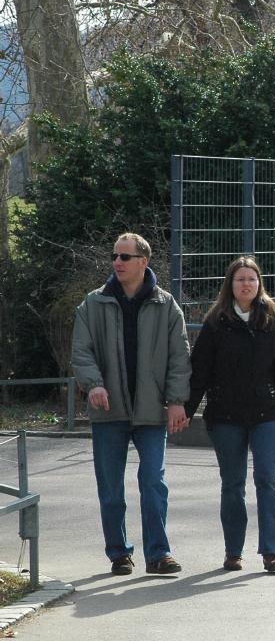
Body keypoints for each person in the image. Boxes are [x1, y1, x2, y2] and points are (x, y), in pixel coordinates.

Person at [71, 232, 192, 576]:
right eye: (115, 256)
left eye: (125, 257)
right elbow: (81, 351)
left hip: (153, 411)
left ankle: (159, 553)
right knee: (110, 489)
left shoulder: (166, 304)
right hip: (109, 413)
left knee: (154, 481)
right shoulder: (93, 303)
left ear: (144, 261)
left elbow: (179, 358)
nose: (117, 263)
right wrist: (93, 384)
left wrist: (176, 402)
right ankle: (119, 553)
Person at [184, 256, 275, 573]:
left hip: (267, 414)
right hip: (226, 416)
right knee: (233, 484)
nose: (246, 284)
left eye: (251, 279)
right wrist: (185, 410)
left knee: (268, 479)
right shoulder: (215, 324)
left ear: (259, 284)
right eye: (240, 279)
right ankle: (233, 552)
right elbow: (199, 372)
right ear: (231, 285)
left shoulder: (273, 321)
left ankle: (272, 551)